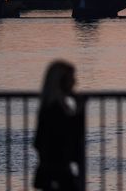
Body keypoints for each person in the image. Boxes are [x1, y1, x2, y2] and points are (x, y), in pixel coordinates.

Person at [33, 60, 83, 191]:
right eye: (72, 78)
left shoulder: (49, 107)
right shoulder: (56, 110)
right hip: (58, 173)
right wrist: (79, 113)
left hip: (52, 172)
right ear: (62, 82)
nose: (75, 82)